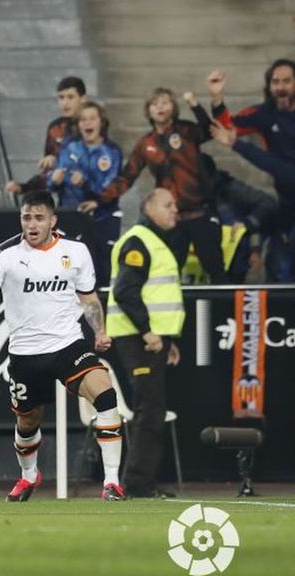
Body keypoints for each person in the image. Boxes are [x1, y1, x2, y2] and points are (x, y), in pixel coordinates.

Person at [0, 191, 125, 502]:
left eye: (39, 218)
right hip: (25, 353)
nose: (32, 224)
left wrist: (100, 331)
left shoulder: (76, 251)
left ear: (53, 221)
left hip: (68, 345)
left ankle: (111, 483)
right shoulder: (4, 255)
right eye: (26, 217)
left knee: (105, 394)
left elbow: (89, 299)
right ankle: (29, 476)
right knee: (27, 422)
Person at [96, 87, 226, 283]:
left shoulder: (187, 131)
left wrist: (195, 104)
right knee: (168, 272)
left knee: (216, 270)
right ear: (148, 111)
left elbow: (210, 131)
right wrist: (98, 200)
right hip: (172, 219)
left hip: (201, 214)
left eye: (165, 102)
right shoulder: (145, 144)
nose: (160, 107)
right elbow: (127, 176)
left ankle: (224, 313)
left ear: (173, 107)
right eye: (155, 104)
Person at [107, 188, 184, 498]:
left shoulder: (152, 241)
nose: (175, 210)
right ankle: (138, 484)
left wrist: (166, 339)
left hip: (150, 340)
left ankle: (141, 482)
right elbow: (125, 290)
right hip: (138, 339)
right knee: (148, 410)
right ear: (149, 208)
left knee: (151, 410)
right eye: (168, 204)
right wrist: (147, 331)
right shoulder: (139, 241)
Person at [209, 63, 295, 280]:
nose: (281, 87)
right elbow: (228, 128)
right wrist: (217, 99)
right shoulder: (265, 113)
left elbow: (284, 170)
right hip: (287, 203)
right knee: (278, 268)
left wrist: (237, 145)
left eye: (287, 81)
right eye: (275, 82)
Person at [47, 101, 122, 285]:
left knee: (102, 274)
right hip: (71, 218)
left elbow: (111, 188)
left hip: (103, 219)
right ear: (78, 125)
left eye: (92, 119)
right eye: (83, 120)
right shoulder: (70, 148)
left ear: (101, 122)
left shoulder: (112, 152)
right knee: (68, 273)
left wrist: (85, 183)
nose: (87, 123)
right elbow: (53, 182)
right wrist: (53, 180)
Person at [5, 76, 86, 197]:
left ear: (83, 99)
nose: (65, 103)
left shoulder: (91, 126)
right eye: (61, 97)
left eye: (70, 97)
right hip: (66, 200)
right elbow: (48, 175)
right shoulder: (55, 128)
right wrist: (24, 187)